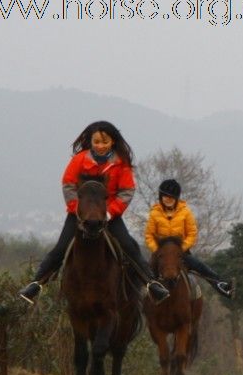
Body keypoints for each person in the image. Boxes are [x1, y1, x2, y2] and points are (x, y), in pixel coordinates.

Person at [18, 121, 170, 304]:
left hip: (108, 215)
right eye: (96, 142)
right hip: (80, 215)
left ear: (112, 141)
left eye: (104, 142)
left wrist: (110, 212)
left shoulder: (121, 163)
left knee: (129, 246)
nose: (100, 146)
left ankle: (151, 284)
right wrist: (78, 209)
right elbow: (68, 185)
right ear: (91, 141)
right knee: (60, 248)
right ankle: (35, 284)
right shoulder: (79, 160)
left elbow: (127, 191)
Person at [144, 179, 234, 298]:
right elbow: (149, 235)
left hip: (181, 251)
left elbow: (192, 233)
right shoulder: (154, 213)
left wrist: (182, 248)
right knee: (144, 272)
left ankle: (221, 285)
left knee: (201, 267)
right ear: (161, 197)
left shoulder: (185, 212)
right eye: (165, 197)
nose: (168, 200)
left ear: (176, 198)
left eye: (171, 197)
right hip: (160, 253)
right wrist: (156, 249)